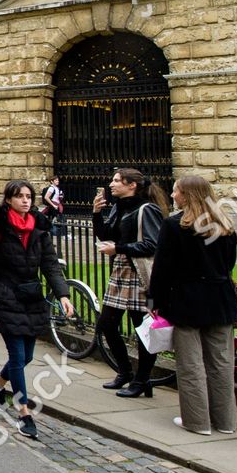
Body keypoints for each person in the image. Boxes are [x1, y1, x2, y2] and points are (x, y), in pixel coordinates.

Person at [0, 179, 71, 441]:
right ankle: (24, 413)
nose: (26, 201)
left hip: (31, 297)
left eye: (29, 196)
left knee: (27, 356)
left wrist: (63, 294)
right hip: (4, 296)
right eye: (20, 196)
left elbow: (50, 264)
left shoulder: (39, 228)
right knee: (17, 356)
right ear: (9, 200)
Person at [148, 176, 237, 435]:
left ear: (186, 195)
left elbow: (162, 268)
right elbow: (228, 264)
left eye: (176, 191)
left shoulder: (175, 225)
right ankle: (226, 422)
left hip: (187, 301)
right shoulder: (225, 224)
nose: (173, 194)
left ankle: (197, 422)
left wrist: (154, 300)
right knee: (222, 364)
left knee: (191, 365)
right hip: (220, 299)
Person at [93, 168, 169, 398]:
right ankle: (125, 371)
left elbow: (153, 245)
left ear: (132, 185)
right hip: (121, 270)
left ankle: (142, 380)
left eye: (117, 181)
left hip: (140, 273)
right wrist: (97, 213)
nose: (112, 184)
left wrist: (119, 248)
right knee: (106, 324)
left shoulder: (147, 209)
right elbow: (106, 234)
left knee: (142, 329)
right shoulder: (118, 206)